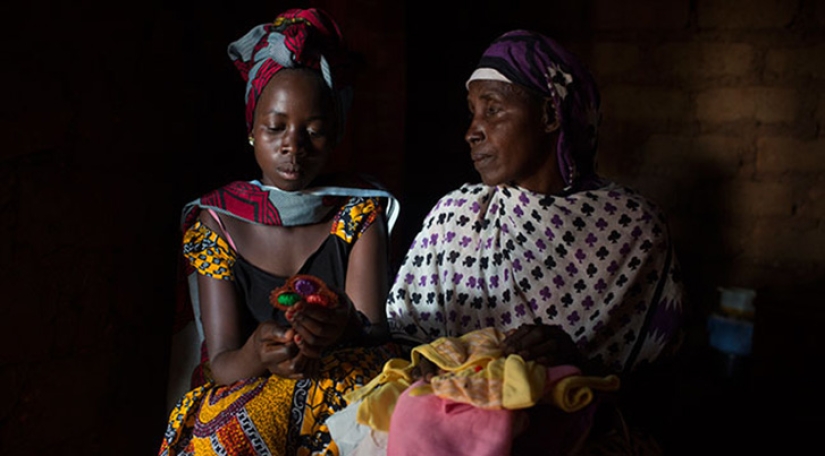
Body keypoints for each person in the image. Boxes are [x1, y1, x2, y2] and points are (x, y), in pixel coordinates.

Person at [371, 29, 685, 455]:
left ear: (550, 115)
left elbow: (661, 391)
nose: (472, 132)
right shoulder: (456, 216)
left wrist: (575, 364)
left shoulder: (634, 229)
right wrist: (430, 363)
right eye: (472, 113)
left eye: (494, 110)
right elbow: (403, 339)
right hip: (450, 433)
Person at [158, 8, 401, 456]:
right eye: (276, 128)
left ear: (336, 135)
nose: (294, 145)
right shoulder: (216, 222)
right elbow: (223, 363)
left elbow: (374, 333)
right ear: (251, 129)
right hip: (253, 386)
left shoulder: (359, 210)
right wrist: (256, 353)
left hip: (345, 381)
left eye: (315, 131)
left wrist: (338, 324)